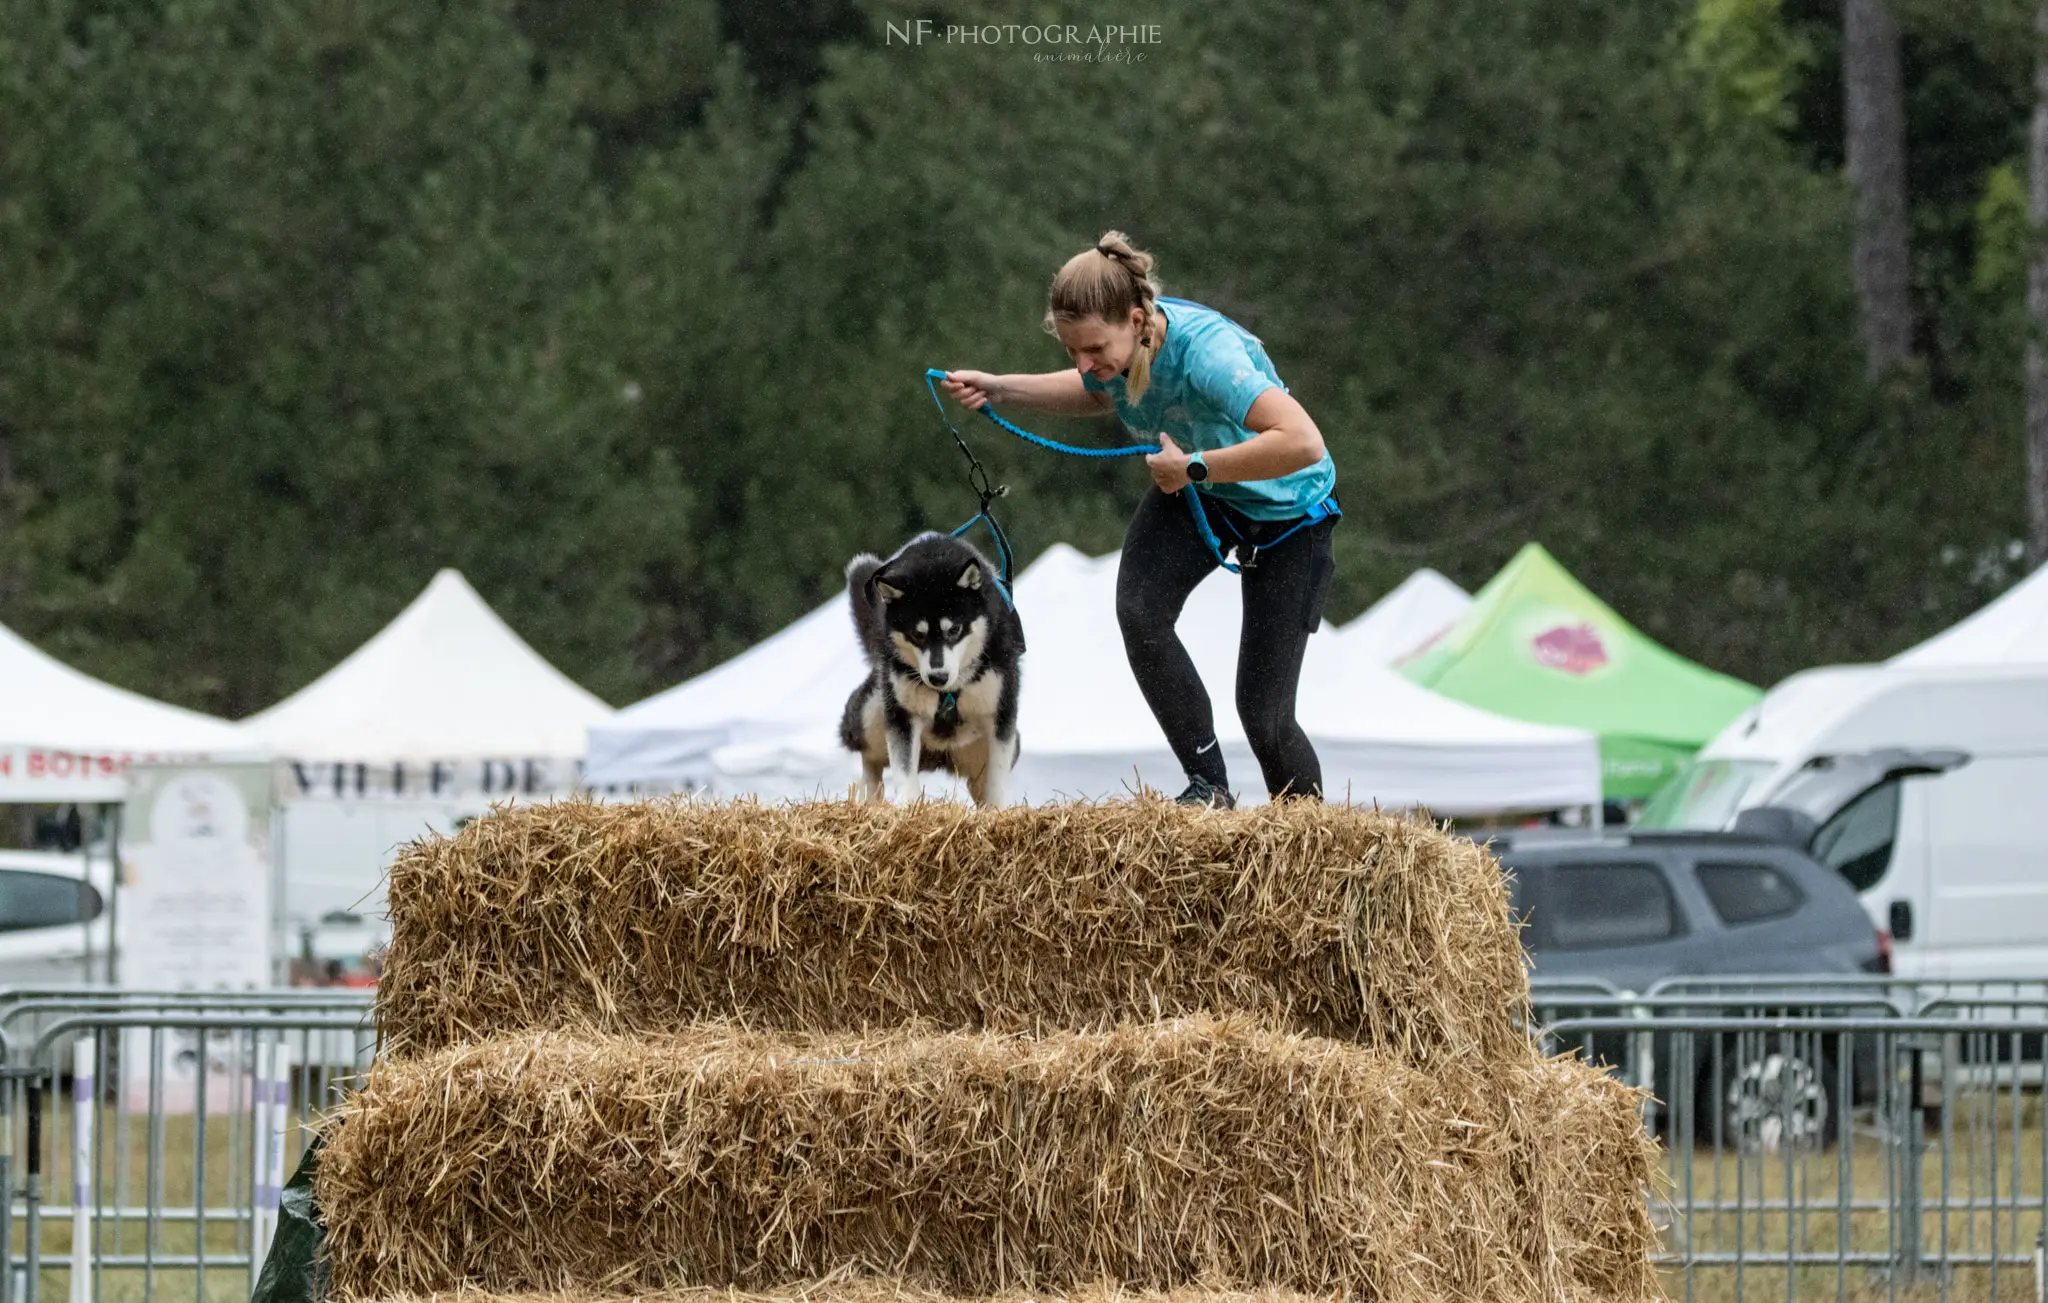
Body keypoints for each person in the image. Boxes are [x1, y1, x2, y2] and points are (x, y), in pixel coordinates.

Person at [940, 230, 1339, 808]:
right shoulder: (1119, 354)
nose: (1085, 363)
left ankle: (1314, 857)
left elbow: (1303, 442)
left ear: (1135, 318)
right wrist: (1001, 388)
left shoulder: (1207, 355)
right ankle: (1210, 788)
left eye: (1094, 348)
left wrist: (1196, 470)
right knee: (1140, 610)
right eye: (1073, 351)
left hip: (1288, 512)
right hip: (1201, 486)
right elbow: (1101, 392)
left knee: (1265, 717)